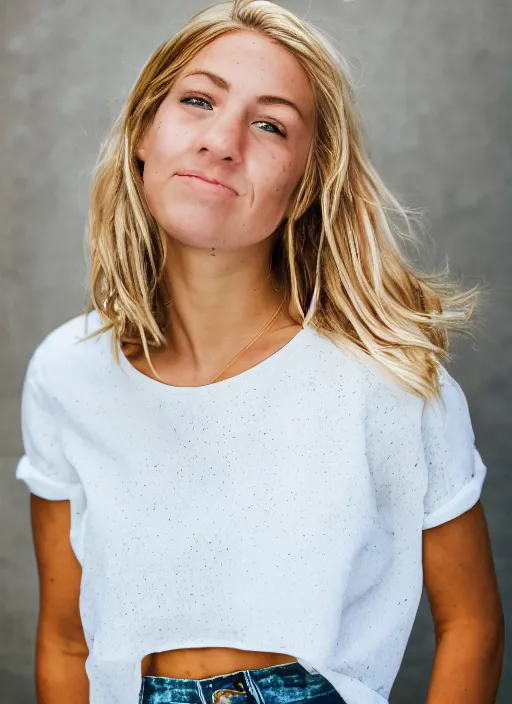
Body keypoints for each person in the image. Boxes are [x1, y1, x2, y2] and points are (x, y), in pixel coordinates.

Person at [15, 1, 504, 703]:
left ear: (306, 185)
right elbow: (65, 642)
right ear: (143, 133)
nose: (221, 140)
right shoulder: (66, 374)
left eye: (270, 124)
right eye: (197, 100)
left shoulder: (387, 380)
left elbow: (472, 625)